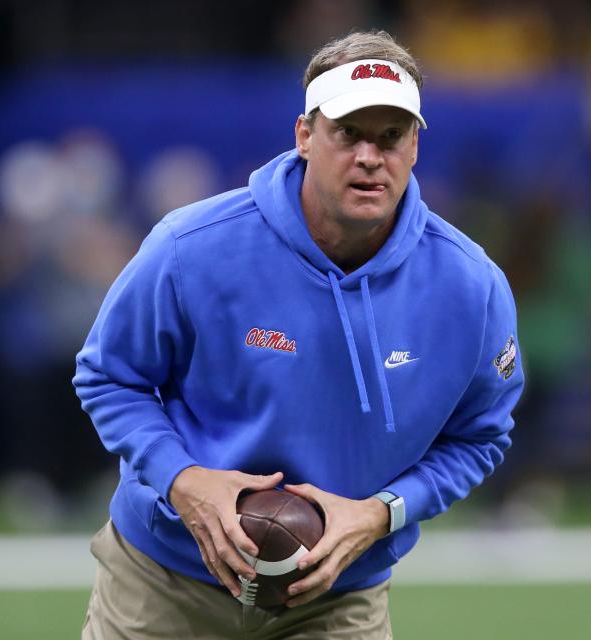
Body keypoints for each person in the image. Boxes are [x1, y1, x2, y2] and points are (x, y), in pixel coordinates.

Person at [74, 30, 524, 639]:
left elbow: (480, 435)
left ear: (416, 145)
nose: (371, 156)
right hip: (167, 579)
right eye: (349, 133)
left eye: (391, 136)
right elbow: (109, 374)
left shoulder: (471, 288)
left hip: (337, 595)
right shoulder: (192, 248)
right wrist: (183, 481)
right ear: (305, 136)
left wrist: (381, 514)